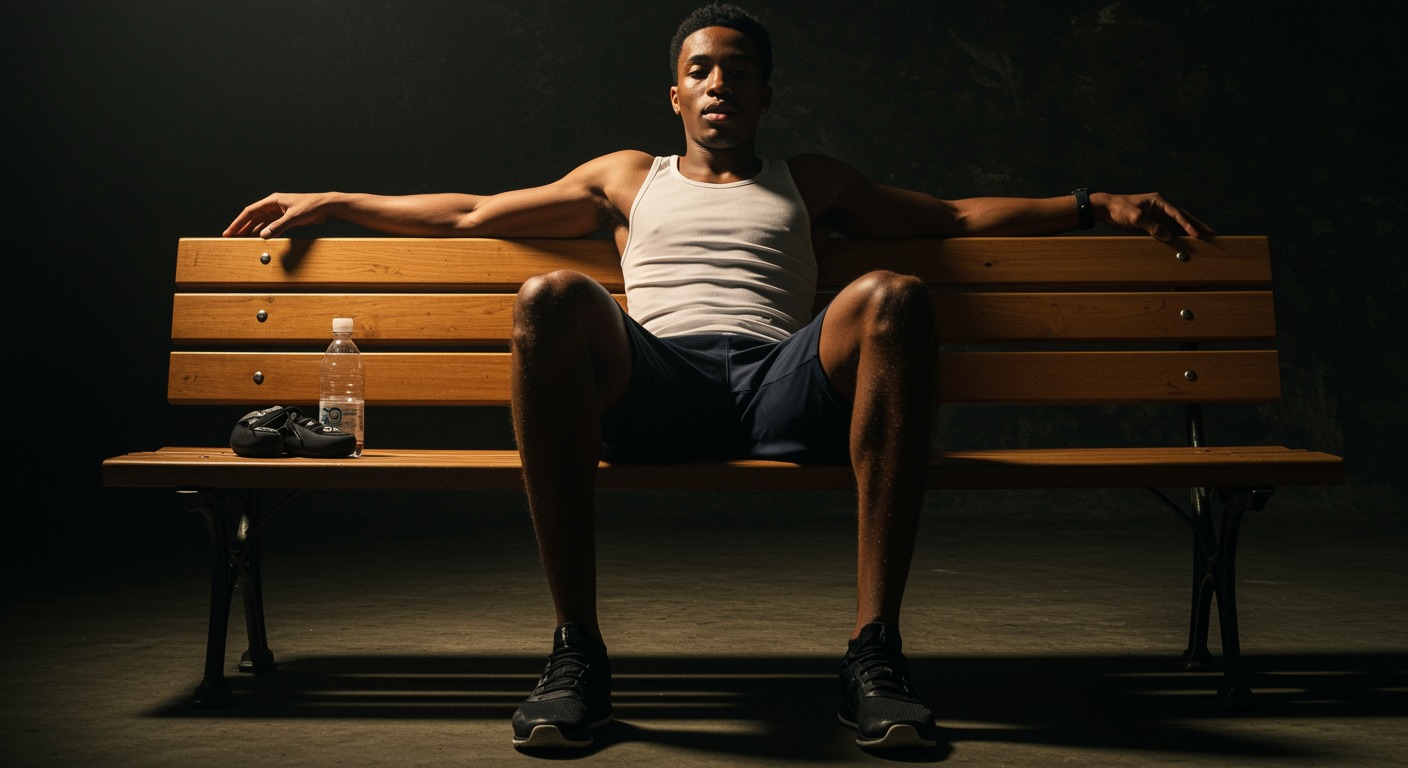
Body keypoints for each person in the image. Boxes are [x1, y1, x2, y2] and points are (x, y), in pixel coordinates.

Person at [224, 2, 1212, 752]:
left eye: (738, 73)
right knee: (549, 298)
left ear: (764, 95)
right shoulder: (625, 178)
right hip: (659, 388)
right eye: (700, 70)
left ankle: (874, 651)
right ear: (676, 94)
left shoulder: (811, 180)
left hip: (782, 386)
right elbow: (474, 215)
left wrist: (1094, 203)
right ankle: (576, 652)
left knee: (897, 295)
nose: (718, 86)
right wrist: (335, 199)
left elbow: (950, 217)